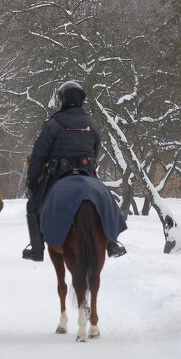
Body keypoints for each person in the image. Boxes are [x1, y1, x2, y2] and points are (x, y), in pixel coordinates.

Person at [22, 80, 127, 262]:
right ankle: (112, 242)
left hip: (57, 175)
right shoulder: (92, 124)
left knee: (32, 207)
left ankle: (37, 248)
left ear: (61, 100)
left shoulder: (52, 125)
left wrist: (32, 182)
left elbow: (38, 156)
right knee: (107, 200)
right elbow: (95, 151)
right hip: (87, 173)